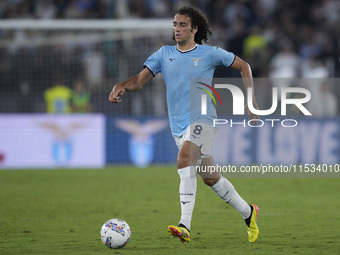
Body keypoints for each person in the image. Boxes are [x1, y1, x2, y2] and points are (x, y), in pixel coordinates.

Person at [109, 6, 260, 243]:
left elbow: (244, 66)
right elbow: (139, 80)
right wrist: (122, 85)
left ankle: (185, 225)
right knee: (210, 178)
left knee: (183, 159)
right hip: (177, 125)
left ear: (194, 29)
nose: (177, 29)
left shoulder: (210, 54)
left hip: (204, 120)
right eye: (175, 25)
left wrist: (250, 101)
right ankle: (249, 213)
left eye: (182, 25)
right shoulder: (163, 54)